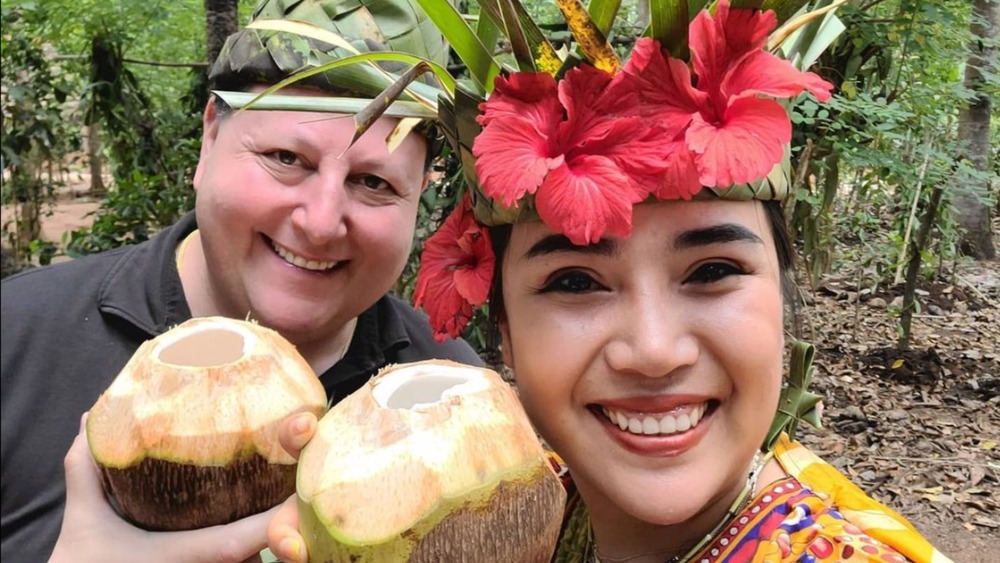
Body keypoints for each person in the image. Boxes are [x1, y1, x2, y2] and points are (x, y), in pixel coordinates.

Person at [265, 1, 950, 562]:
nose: (653, 351)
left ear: (784, 296)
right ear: (501, 328)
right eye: (574, 282)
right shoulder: (516, 505)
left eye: (712, 272)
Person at [0, 1, 481, 561]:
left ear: (420, 192)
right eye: (285, 157)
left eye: (373, 182)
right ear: (209, 139)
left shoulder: (456, 396)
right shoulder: (14, 341)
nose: (321, 223)